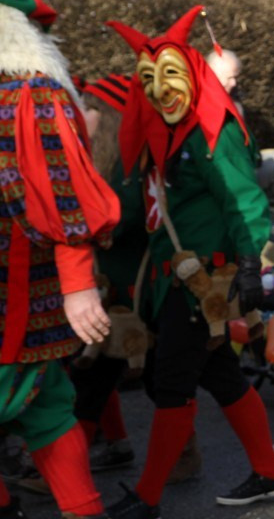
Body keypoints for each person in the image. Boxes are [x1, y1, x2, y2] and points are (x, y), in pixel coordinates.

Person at [104, 6, 274, 518]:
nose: (160, 89)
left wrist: (252, 261)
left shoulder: (212, 131)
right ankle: (272, 472)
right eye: (149, 79)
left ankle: (147, 498)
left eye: (169, 75)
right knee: (221, 375)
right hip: (178, 278)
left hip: (204, 279)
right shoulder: (169, 135)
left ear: (189, 75)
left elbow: (243, 198)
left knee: (171, 383)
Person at [0, 0, 118, 519]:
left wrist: (78, 286)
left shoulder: (31, 94)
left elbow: (64, 194)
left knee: (44, 406)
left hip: (18, 293)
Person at [69, 75, 145, 473]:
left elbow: (127, 214)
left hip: (127, 287)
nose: (84, 116)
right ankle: (115, 445)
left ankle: (69, 469)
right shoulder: (100, 159)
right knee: (94, 369)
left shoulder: (126, 166)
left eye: (91, 108)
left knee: (98, 374)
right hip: (107, 285)